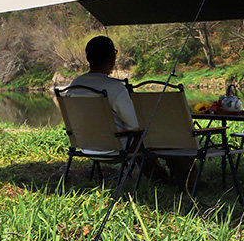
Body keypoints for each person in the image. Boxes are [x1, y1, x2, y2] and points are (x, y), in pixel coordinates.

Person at [67, 35, 168, 182]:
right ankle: (169, 179)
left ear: (88, 58)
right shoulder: (114, 88)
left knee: (137, 138)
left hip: (85, 147)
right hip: (115, 148)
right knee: (147, 136)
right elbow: (135, 125)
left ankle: (160, 178)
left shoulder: (74, 86)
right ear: (112, 59)